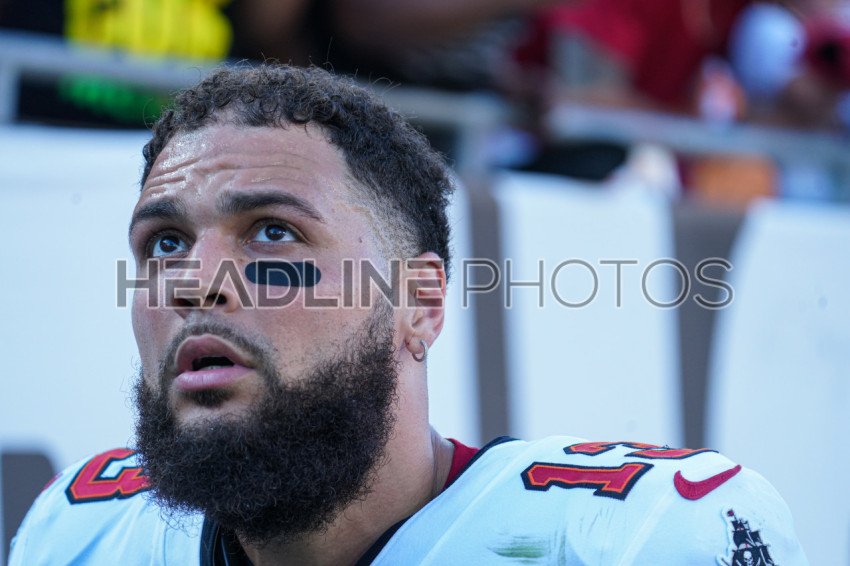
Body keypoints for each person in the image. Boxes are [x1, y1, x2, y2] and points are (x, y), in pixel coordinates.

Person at [9, 64, 808, 565]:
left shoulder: (637, 541)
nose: (194, 282)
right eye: (165, 242)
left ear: (420, 302)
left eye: (273, 232)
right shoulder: (81, 533)